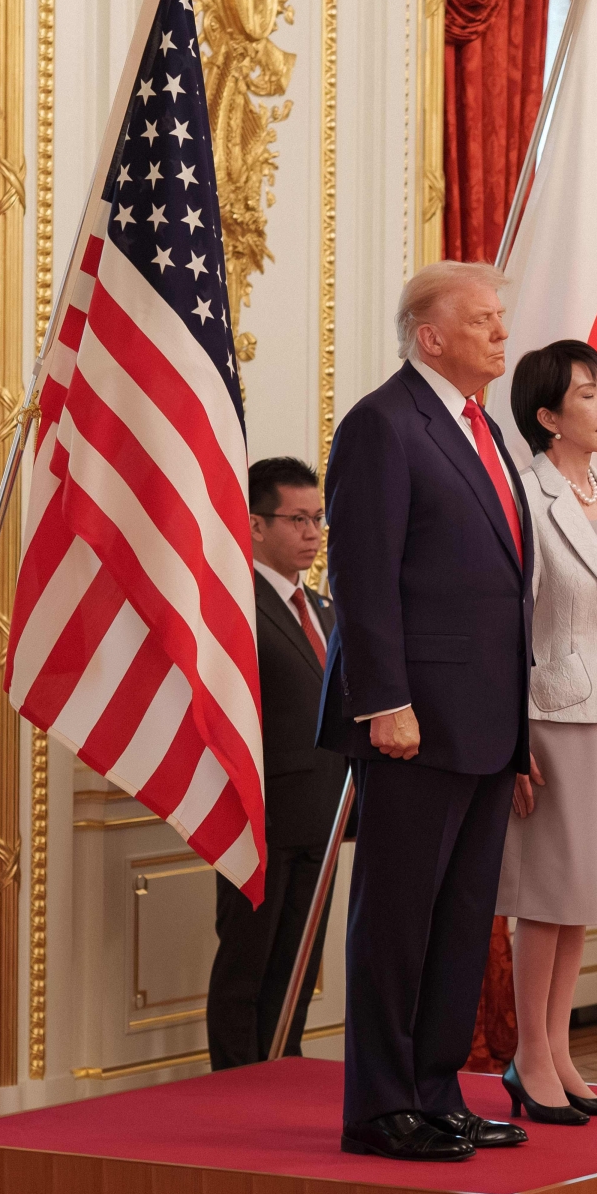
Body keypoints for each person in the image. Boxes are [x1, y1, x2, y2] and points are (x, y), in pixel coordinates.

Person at [317, 260, 532, 1162]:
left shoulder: (485, 430)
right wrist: (387, 704)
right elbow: (364, 580)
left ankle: (436, 1092)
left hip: (485, 722)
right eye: (482, 319)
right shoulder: (381, 424)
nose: (501, 332)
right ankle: (377, 1106)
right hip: (413, 721)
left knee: (457, 920)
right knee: (398, 920)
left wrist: (519, 732)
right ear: (430, 335)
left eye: (501, 317)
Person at [495, 340, 597, 1125]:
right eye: (588, 393)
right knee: (545, 896)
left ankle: (557, 1046)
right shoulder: (526, 494)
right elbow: (509, 623)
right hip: (547, 713)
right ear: (548, 416)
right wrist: (512, 741)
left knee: (579, 895)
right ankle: (530, 1055)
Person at [206, 458, 347, 1069]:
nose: (313, 532)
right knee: (246, 963)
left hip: (324, 816)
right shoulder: (233, 607)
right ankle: (234, 1082)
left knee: (298, 962)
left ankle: (280, 1068)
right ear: (256, 526)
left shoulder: (325, 609)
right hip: (256, 818)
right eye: (298, 519)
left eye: (318, 518)